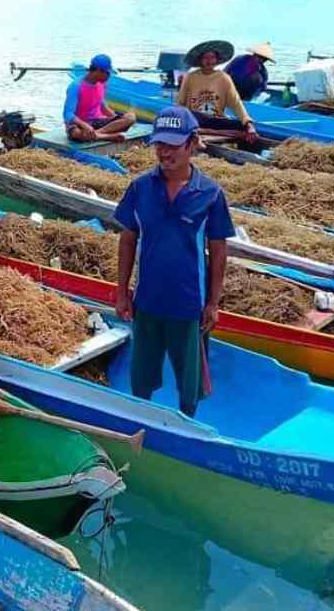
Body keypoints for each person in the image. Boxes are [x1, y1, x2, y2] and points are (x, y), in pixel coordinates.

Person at [113, 106, 235, 417]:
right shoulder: (140, 188)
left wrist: (213, 303)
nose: (164, 152)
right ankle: (141, 421)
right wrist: (122, 291)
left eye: (173, 145)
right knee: (142, 378)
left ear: (192, 144)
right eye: (159, 144)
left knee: (189, 384)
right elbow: (128, 239)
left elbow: (218, 252)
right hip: (147, 302)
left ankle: (186, 425)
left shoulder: (210, 194)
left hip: (189, 304)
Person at [177, 40, 258, 145]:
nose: (209, 61)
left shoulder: (224, 78)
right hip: (195, 119)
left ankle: (203, 131)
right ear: (200, 60)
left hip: (214, 120)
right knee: (188, 116)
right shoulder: (190, 77)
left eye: (212, 57)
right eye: (205, 57)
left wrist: (248, 124)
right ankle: (204, 131)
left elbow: (236, 104)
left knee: (243, 127)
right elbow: (180, 103)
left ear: (217, 59)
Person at [63, 53, 137, 143]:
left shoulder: (102, 84)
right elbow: (68, 114)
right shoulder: (76, 86)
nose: (109, 76)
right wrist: (85, 125)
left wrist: (117, 119)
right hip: (80, 124)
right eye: (107, 73)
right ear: (98, 71)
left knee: (131, 117)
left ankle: (97, 134)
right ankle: (106, 136)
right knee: (76, 133)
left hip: (97, 122)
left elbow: (102, 106)